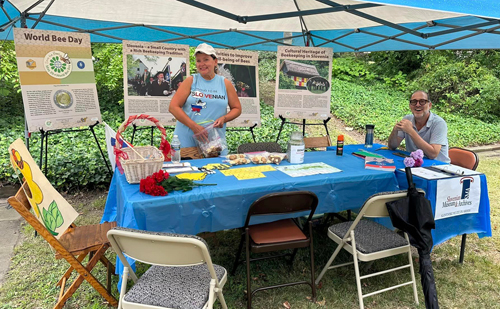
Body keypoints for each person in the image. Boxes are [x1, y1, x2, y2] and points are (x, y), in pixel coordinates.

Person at [169, 43, 242, 150]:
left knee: (217, 166)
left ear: (215, 61)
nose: (202, 64)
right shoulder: (191, 81)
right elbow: (173, 107)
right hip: (186, 142)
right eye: (198, 61)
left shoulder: (225, 84)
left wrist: (224, 118)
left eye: (206, 59)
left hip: (213, 143)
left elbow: (237, 108)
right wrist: (194, 127)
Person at [388, 90, 450, 163]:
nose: (417, 105)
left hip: (438, 167)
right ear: (410, 106)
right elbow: (392, 146)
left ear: (429, 105)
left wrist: (410, 131)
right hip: (415, 165)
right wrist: (395, 130)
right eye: (414, 102)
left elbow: (433, 154)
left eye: (422, 101)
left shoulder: (439, 123)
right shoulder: (407, 119)